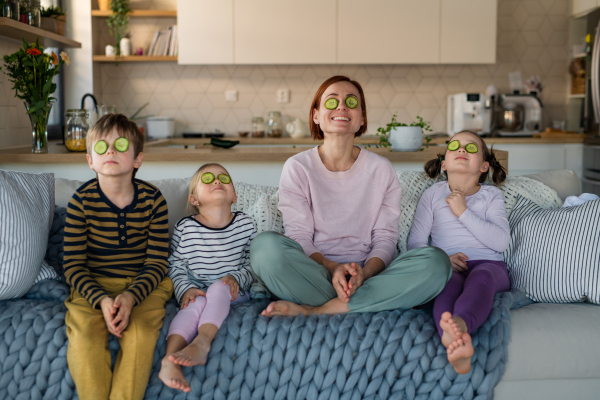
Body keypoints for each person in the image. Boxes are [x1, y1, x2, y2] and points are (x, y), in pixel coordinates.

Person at [250, 75, 452, 317]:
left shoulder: (381, 169)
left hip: (369, 275)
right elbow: (299, 236)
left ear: (362, 118)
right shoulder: (298, 167)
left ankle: (318, 310)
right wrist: (333, 268)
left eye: (352, 102)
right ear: (316, 115)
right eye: (332, 102)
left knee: (437, 263)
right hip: (316, 273)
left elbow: (385, 239)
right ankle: (367, 302)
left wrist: (362, 275)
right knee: (264, 248)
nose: (342, 107)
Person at [63, 114, 173, 400]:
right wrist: (101, 299)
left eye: (120, 145)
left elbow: (157, 263)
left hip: (145, 285)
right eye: (102, 146)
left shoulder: (153, 200)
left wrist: (131, 297)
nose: (110, 151)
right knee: (84, 338)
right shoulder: (80, 202)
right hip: (92, 286)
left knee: (140, 337)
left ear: (137, 159)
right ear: (90, 160)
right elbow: (73, 267)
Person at [408, 130, 510, 374]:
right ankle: (451, 341)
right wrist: (441, 259)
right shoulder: (432, 195)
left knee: (481, 278)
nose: (462, 150)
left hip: (490, 265)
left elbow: (501, 242)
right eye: (455, 146)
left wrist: (463, 211)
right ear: (444, 163)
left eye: (471, 148)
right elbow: (416, 242)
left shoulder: (491, 195)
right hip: (449, 265)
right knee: (446, 285)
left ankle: (461, 325)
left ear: (484, 166)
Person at [158, 163, 256, 393]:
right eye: (208, 178)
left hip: (232, 292)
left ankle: (202, 342)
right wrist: (186, 290)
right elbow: (176, 265)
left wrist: (236, 278)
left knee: (219, 288)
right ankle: (168, 362)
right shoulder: (186, 227)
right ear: (194, 199)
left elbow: (253, 264)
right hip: (199, 289)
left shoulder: (246, 224)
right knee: (196, 303)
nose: (217, 181)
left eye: (223, 177)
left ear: (234, 195)